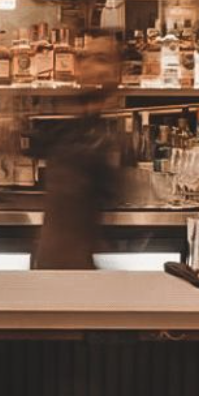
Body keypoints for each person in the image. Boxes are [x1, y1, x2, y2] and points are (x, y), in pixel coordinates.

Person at [32, 30, 126, 270]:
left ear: (117, 71)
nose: (88, 65)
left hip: (74, 266)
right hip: (59, 264)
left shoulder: (103, 131)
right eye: (85, 57)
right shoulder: (72, 122)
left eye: (101, 58)